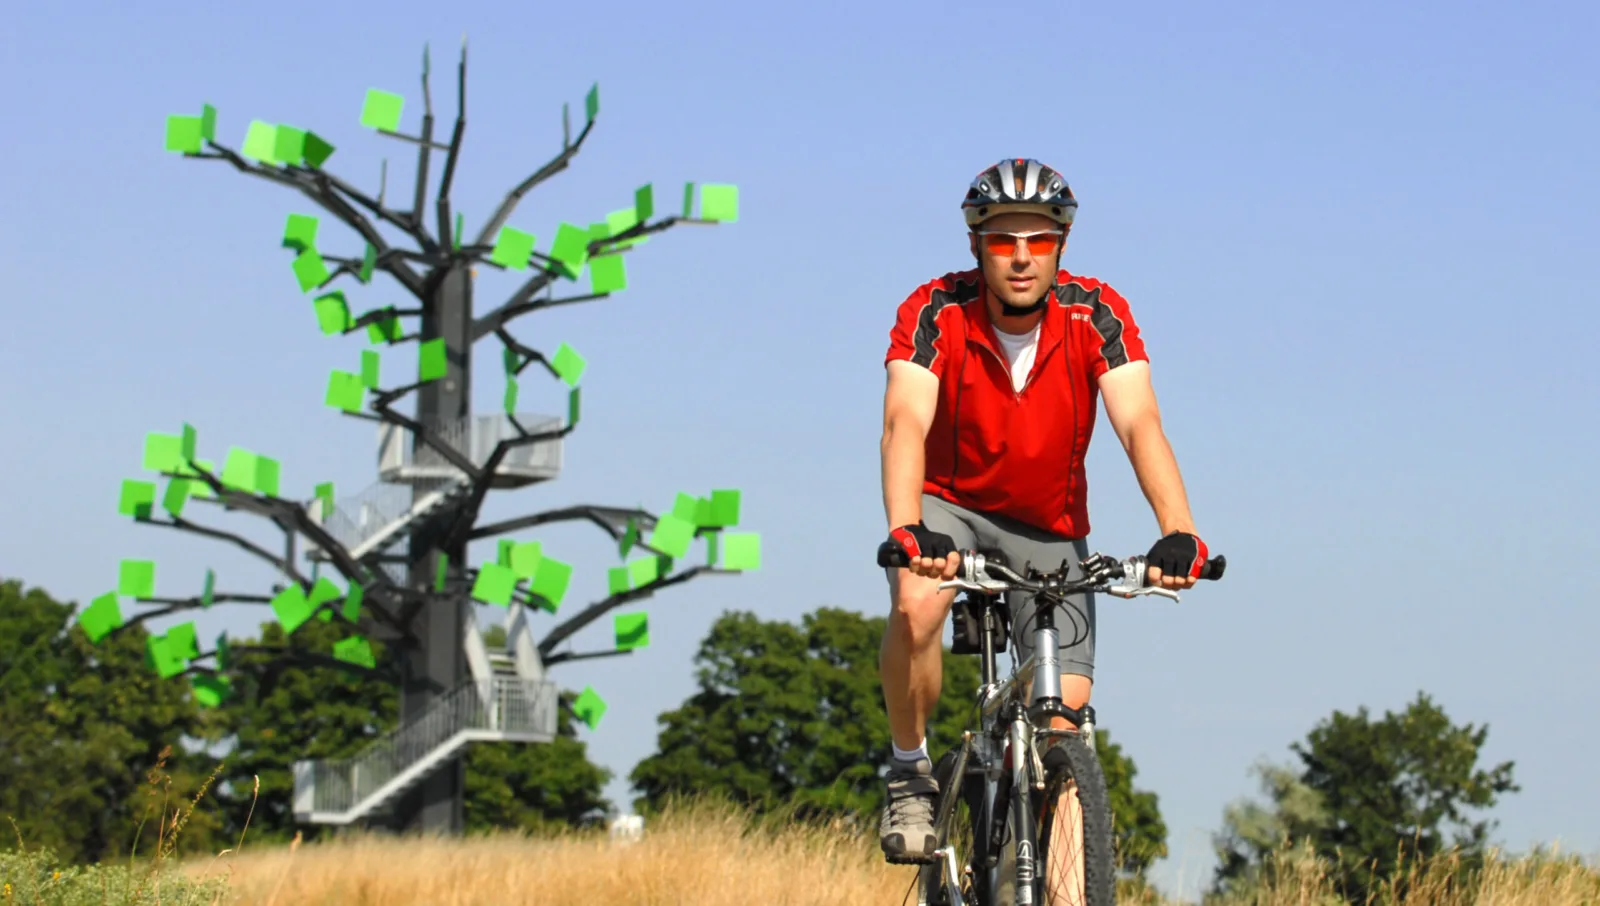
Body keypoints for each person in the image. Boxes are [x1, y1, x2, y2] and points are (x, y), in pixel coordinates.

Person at [876, 158, 1212, 864]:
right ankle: (910, 768)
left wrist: (1177, 530)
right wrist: (908, 528)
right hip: (951, 508)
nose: (1021, 257)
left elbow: (1139, 421)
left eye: (1038, 239)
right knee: (916, 605)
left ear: (1062, 244)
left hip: (1051, 529)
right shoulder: (935, 309)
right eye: (1002, 240)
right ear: (975, 246)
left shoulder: (1097, 312)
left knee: (1064, 726)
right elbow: (905, 420)